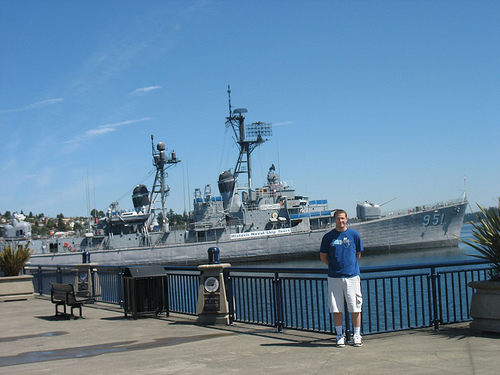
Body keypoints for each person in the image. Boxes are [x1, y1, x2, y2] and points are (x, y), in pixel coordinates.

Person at [320, 209, 363, 347]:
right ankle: (339, 335)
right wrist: (334, 266)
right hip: (334, 277)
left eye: (343, 218)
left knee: (355, 306)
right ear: (334, 220)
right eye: (338, 219)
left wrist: (349, 267)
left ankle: (357, 334)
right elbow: (323, 256)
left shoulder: (354, 235)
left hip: (352, 276)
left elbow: (358, 253)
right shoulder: (328, 237)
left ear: (347, 219)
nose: (341, 221)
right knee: (336, 308)